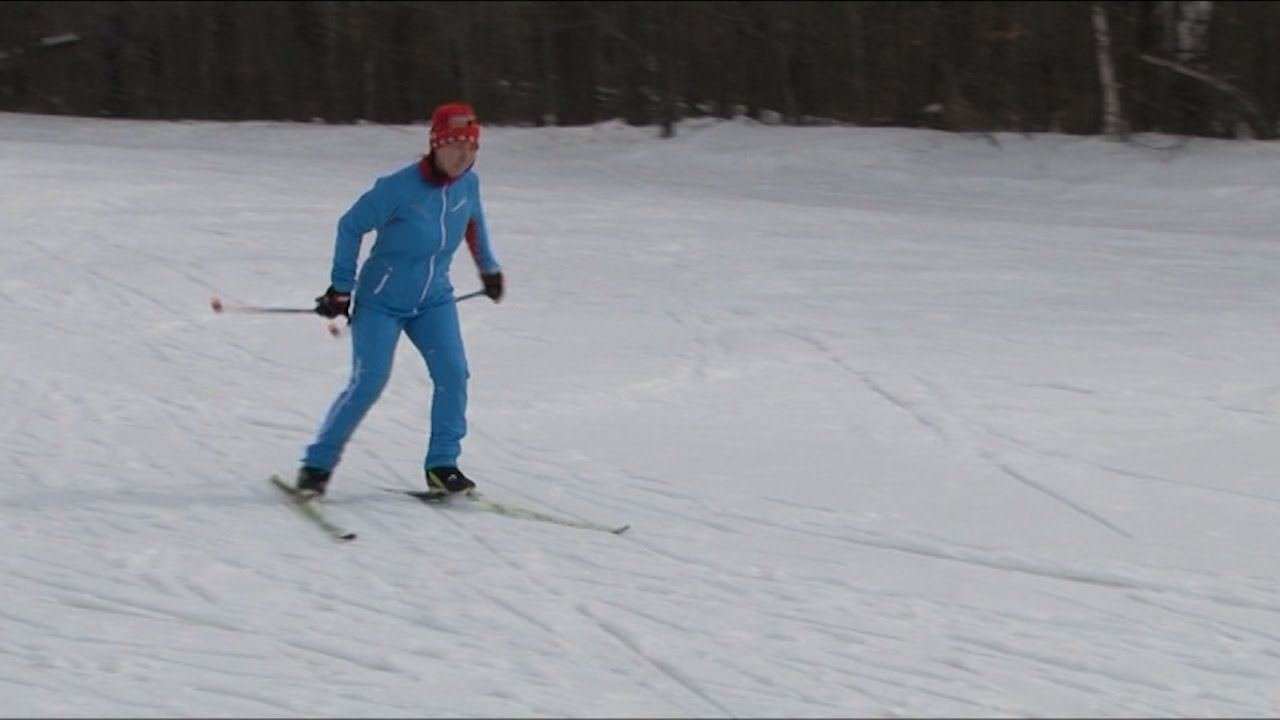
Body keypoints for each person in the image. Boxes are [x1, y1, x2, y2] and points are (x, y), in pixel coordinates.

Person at [293, 101, 503, 499]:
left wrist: (489, 269)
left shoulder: (468, 184)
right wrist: (341, 288)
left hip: (434, 299)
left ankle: (442, 466)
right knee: (369, 381)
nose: (464, 156)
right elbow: (350, 226)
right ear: (436, 145)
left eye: (472, 147)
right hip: (381, 302)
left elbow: (474, 220)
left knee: (454, 375)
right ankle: (316, 466)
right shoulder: (397, 188)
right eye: (456, 146)